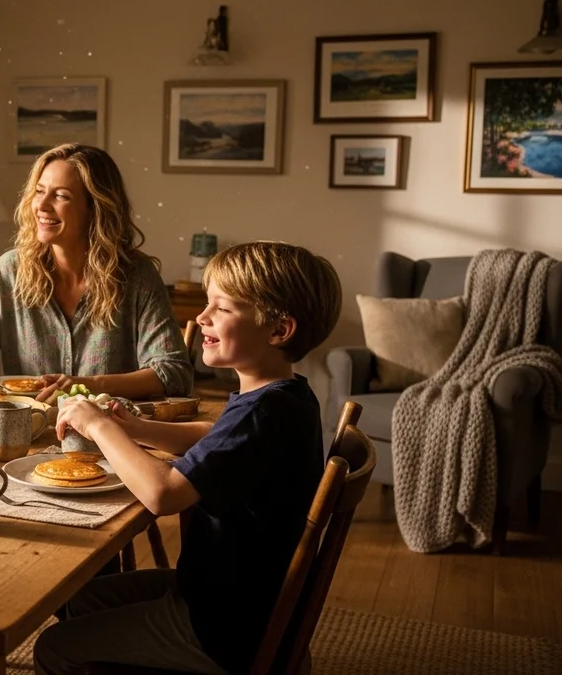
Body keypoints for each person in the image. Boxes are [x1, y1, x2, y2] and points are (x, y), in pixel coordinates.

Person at [34, 241, 342, 675]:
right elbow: (214, 436)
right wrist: (135, 428)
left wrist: (100, 427)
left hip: (222, 624)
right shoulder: (285, 396)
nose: (202, 317)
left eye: (223, 307)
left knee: (55, 647)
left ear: (279, 330)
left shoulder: (262, 413)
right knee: (77, 598)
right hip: (233, 595)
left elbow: (164, 494)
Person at [0, 143, 192, 404]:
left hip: (108, 427)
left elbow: (174, 373)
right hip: (29, 427)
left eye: (61, 196)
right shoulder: (9, 271)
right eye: (39, 191)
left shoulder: (137, 277)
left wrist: (89, 386)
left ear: (95, 208)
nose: (42, 205)